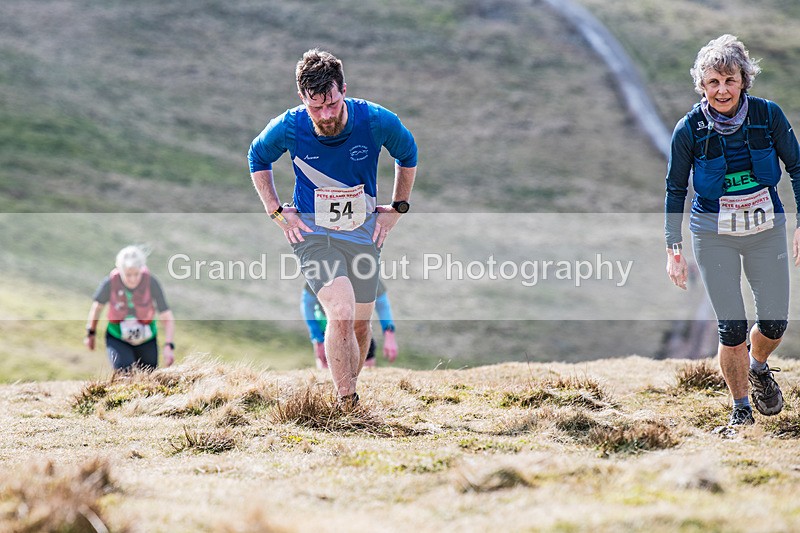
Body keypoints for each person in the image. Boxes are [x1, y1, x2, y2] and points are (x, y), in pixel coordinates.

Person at [248, 49, 417, 407]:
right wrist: (276, 211)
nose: (325, 115)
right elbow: (257, 156)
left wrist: (397, 208)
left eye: (333, 104)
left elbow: (408, 152)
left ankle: (348, 392)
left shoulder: (374, 120)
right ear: (302, 98)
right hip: (313, 235)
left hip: (363, 233)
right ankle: (346, 402)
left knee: (358, 323)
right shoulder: (289, 126)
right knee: (339, 310)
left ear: (344, 89)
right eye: (315, 107)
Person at [665, 35, 800, 426]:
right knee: (732, 326)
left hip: (766, 230)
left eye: (730, 80)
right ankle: (741, 410)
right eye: (713, 82)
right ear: (702, 86)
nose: (722, 90)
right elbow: (675, 188)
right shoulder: (688, 129)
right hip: (713, 235)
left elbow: (797, 168)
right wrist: (673, 249)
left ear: (743, 81)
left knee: (775, 322)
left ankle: (757, 366)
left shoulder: (768, 116)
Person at [84, 245, 175, 371]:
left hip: (147, 340)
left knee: (149, 377)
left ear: (142, 268)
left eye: (136, 274)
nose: (133, 279)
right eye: (128, 275)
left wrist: (168, 345)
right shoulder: (110, 283)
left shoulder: (151, 282)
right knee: (125, 374)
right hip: (118, 338)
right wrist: (91, 333)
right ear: (119, 270)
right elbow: (97, 307)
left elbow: (166, 314)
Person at [302, 280, 398, 369]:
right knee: (326, 373)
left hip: (359, 328)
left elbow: (382, 304)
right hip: (326, 331)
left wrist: (389, 334)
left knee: (367, 371)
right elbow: (307, 303)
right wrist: (317, 338)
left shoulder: (365, 268)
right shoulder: (323, 266)